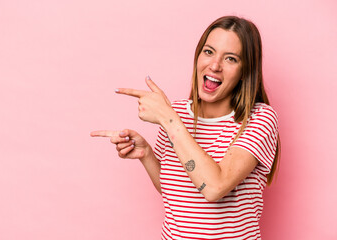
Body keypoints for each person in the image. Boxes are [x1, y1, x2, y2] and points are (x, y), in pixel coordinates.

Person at [91, 15, 280, 240]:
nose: (215, 65)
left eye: (230, 59)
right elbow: (176, 192)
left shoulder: (260, 118)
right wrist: (146, 155)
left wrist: (168, 118)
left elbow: (213, 188)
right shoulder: (177, 113)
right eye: (208, 52)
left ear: (244, 71)